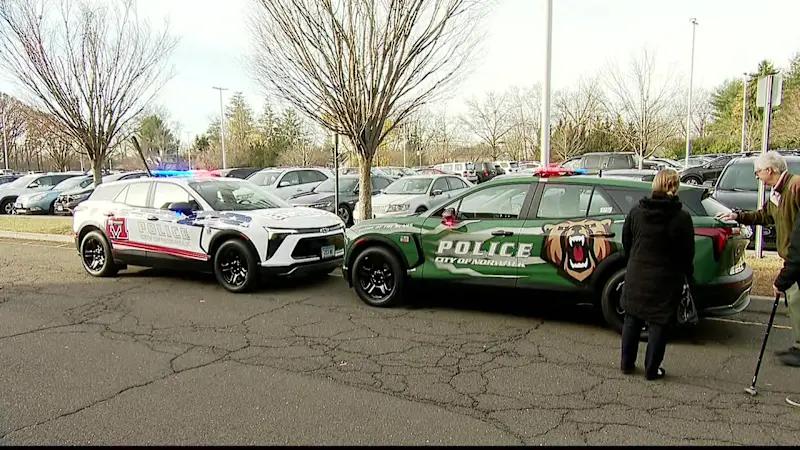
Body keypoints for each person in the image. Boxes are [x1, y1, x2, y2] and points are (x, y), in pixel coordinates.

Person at [716, 151, 800, 368]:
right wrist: (738, 216)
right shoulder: (777, 193)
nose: (757, 177)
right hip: (791, 258)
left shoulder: (795, 187)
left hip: (796, 259)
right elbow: (765, 216)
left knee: (797, 301)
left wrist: (790, 267)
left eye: (758, 173)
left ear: (770, 170)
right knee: (794, 302)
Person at [620, 168, 695, 380]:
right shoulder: (682, 218)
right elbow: (687, 252)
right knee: (659, 324)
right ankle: (652, 369)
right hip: (666, 278)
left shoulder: (636, 212)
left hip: (637, 273)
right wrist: (687, 276)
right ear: (675, 186)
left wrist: (633, 262)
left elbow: (627, 242)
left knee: (632, 319)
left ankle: (627, 363)